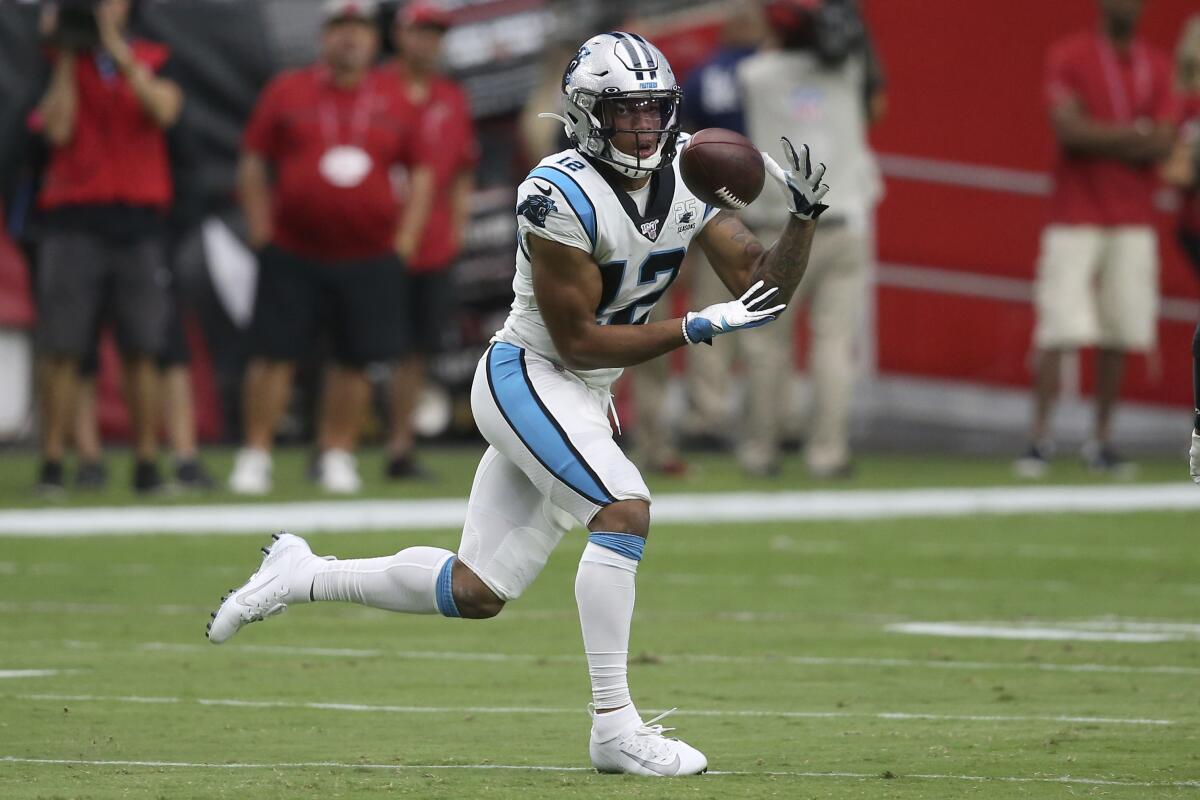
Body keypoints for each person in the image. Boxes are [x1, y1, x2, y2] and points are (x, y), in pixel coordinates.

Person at [206, 31, 829, 776]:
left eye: (653, 111)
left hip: (583, 392)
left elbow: (763, 289)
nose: (642, 128)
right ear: (584, 114)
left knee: (477, 591)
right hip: (529, 374)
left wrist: (802, 222)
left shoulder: (687, 170)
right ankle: (615, 727)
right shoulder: (555, 193)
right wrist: (692, 326)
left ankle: (301, 573)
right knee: (622, 509)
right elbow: (578, 343)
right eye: (624, 113)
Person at [227, 0, 430, 495]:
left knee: (355, 359)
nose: (349, 38)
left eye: (358, 27)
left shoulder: (394, 97)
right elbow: (253, 160)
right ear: (324, 35)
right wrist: (259, 227)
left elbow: (422, 172)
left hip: (368, 253)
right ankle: (256, 453)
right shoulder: (287, 90)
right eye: (340, 26)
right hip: (294, 249)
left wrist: (405, 239)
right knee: (274, 354)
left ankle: (337, 451)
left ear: (373, 38)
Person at [1015, 0, 1177, 478]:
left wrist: (1105, 134)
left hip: (1133, 217)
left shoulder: (1157, 64)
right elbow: (1069, 132)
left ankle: (1101, 441)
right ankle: (1039, 439)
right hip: (1075, 212)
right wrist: (1137, 135)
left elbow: (1166, 140)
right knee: (1057, 329)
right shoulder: (1071, 54)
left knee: (1120, 331)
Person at [31, 0, 183, 495]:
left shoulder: (154, 55)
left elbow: (162, 110)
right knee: (62, 348)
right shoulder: (57, 61)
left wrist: (117, 53)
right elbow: (56, 127)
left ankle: (145, 460)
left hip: (137, 220)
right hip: (73, 218)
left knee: (143, 347)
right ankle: (55, 461)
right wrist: (71, 56)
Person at [731, 0, 884, 477]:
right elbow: (873, 94)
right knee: (833, 345)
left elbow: (771, 49)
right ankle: (826, 453)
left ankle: (761, 450)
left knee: (765, 346)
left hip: (780, 227)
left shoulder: (755, 75)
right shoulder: (849, 71)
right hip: (843, 224)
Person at [384, 1, 478, 479]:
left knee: (415, 348)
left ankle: (400, 446)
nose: (428, 43)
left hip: (433, 242)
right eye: (421, 32)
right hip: (372, 239)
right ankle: (331, 447)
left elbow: (462, 170)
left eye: (436, 34)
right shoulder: (376, 88)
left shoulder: (450, 96)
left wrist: (457, 228)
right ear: (400, 35)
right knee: (355, 348)